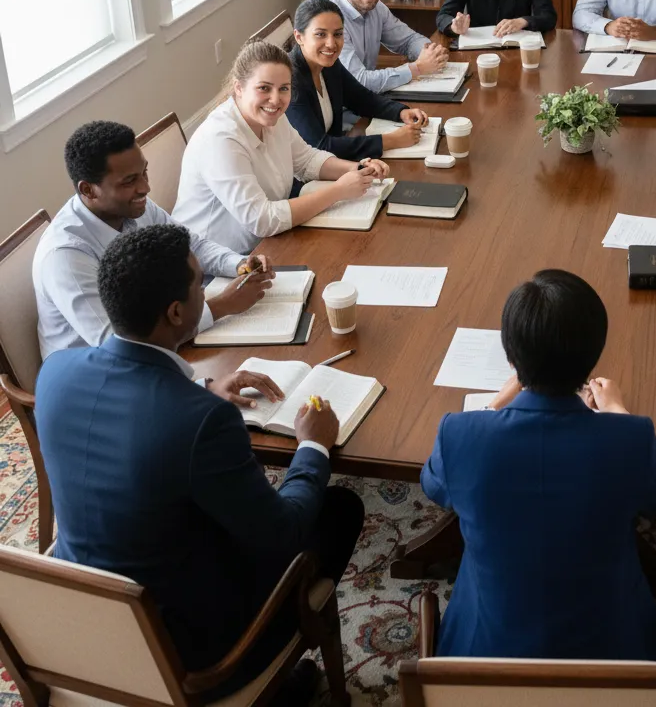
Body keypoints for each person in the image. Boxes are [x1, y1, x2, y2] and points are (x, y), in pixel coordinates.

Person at [35, 224, 364, 702]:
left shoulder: (55, 373)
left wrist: (203, 390)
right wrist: (312, 446)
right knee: (338, 510)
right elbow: (283, 533)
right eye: (199, 285)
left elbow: (130, 407)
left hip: (87, 620)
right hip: (188, 657)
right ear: (175, 312)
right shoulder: (202, 421)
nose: (207, 291)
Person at [421, 269, 656, 662]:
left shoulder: (459, 433)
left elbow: (433, 484)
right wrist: (618, 411)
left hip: (484, 660)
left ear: (511, 357)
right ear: (594, 356)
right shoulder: (629, 438)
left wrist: (494, 406)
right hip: (615, 660)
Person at [33, 120, 273, 361]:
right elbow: (117, 345)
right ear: (88, 190)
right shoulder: (65, 256)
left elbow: (190, 246)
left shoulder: (134, 207)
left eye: (144, 173)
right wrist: (222, 306)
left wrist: (239, 264)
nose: (145, 187)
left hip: (157, 338)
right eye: (129, 181)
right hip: (101, 371)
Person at [173, 41, 389, 254]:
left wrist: (356, 169)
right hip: (214, 262)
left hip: (268, 244)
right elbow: (262, 220)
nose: (275, 100)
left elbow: (306, 160)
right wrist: (338, 191)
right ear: (239, 87)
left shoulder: (271, 116)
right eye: (264, 88)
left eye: (284, 88)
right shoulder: (220, 139)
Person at [286, 0, 429, 158]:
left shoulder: (328, 63)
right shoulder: (290, 81)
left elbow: (360, 98)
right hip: (306, 169)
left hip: (331, 162)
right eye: (320, 34)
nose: (331, 44)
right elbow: (319, 146)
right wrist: (391, 140)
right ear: (299, 37)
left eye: (338, 34)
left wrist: (401, 112)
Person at [329, 0, 449, 98]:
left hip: (367, 100)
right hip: (343, 107)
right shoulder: (330, 20)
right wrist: (417, 68)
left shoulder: (376, 7)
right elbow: (359, 81)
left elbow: (408, 40)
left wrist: (430, 52)